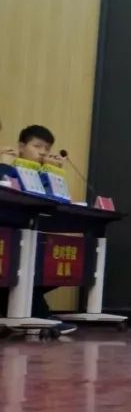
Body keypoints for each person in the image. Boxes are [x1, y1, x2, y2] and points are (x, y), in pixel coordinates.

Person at [0, 125, 76, 334]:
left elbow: (56, 200)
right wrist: (4, 165)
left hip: (30, 232)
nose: (42, 152)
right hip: (9, 233)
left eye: (47, 148)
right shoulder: (9, 166)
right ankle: (38, 316)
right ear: (21, 146)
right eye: (37, 146)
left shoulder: (39, 172)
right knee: (25, 264)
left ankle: (34, 314)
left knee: (55, 263)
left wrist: (52, 172)